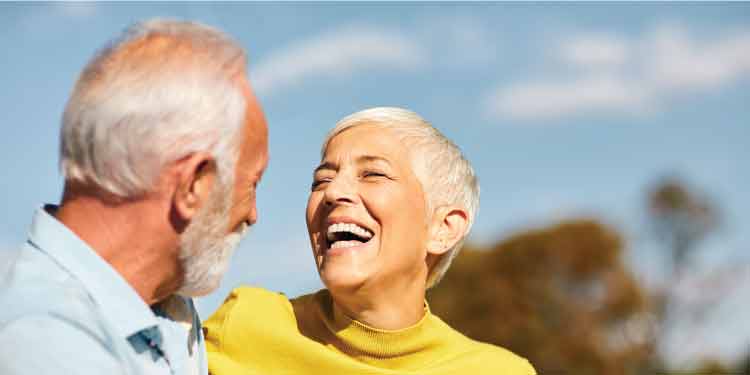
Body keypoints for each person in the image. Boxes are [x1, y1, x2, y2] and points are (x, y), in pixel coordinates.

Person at [0, 19, 268, 375]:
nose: (253, 214)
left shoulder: (164, 307)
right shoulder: (47, 346)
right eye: (253, 184)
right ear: (193, 185)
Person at [204, 107, 535, 374]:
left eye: (373, 174)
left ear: (443, 227)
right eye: (322, 180)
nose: (333, 192)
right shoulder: (245, 322)